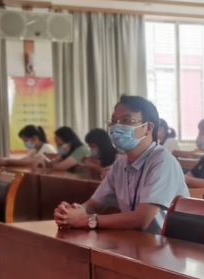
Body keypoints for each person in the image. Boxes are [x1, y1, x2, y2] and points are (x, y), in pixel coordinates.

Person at [54, 96, 188, 234]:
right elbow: (93, 206)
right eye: (113, 121)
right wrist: (71, 212)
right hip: (136, 241)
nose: (116, 127)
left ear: (148, 128)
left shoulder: (163, 162)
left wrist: (86, 220)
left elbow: (142, 219)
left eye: (126, 120)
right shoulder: (120, 165)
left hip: (169, 244)